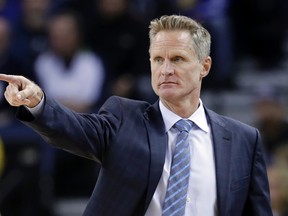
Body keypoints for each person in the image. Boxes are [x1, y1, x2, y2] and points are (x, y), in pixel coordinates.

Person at [0, 15, 272, 216]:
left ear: (205, 66)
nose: (165, 69)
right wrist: (39, 102)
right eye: (158, 59)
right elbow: (72, 128)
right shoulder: (124, 117)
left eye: (177, 59)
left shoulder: (243, 140)